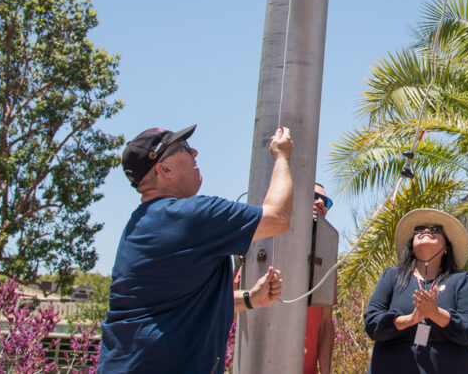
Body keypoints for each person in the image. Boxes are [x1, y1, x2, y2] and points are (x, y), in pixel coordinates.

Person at [98, 125, 294, 374]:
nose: (195, 153)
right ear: (164, 168)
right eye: (185, 148)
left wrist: (251, 299)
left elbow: (181, 306)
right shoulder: (187, 216)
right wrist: (282, 156)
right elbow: (277, 217)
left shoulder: (142, 224)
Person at [365, 208, 468, 372]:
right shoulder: (391, 276)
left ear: (446, 248)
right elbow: (372, 323)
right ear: (412, 247)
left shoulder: (461, 280)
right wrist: (411, 319)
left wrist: (436, 314)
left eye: (436, 229)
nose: (426, 231)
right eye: (419, 230)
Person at [304, 182, 335, 374]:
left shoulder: (327, 258)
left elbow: (325, 324)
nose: (319, 202)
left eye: (325, 201)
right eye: (313, 196)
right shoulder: (269, 242)